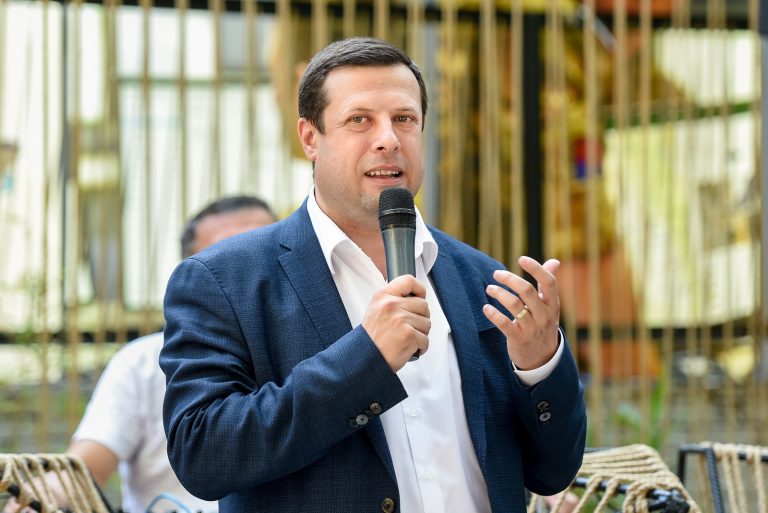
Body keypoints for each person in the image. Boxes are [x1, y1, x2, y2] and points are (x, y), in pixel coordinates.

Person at [161, 37, 587, 513]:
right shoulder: (223, 280)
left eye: (404, 119)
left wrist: (538, 366)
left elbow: (553, 472)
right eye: (359, 120)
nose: (389, 139)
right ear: (310, 138)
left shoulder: (482, 277)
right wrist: (367, 359)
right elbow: (203, 455)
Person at [4, 195, 277, 513]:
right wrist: (35, 499)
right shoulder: (143, 362)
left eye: (264, 255)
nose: (251, 275)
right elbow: (82, 468)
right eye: (229, 262)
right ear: (194, 277)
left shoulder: (319, 356)